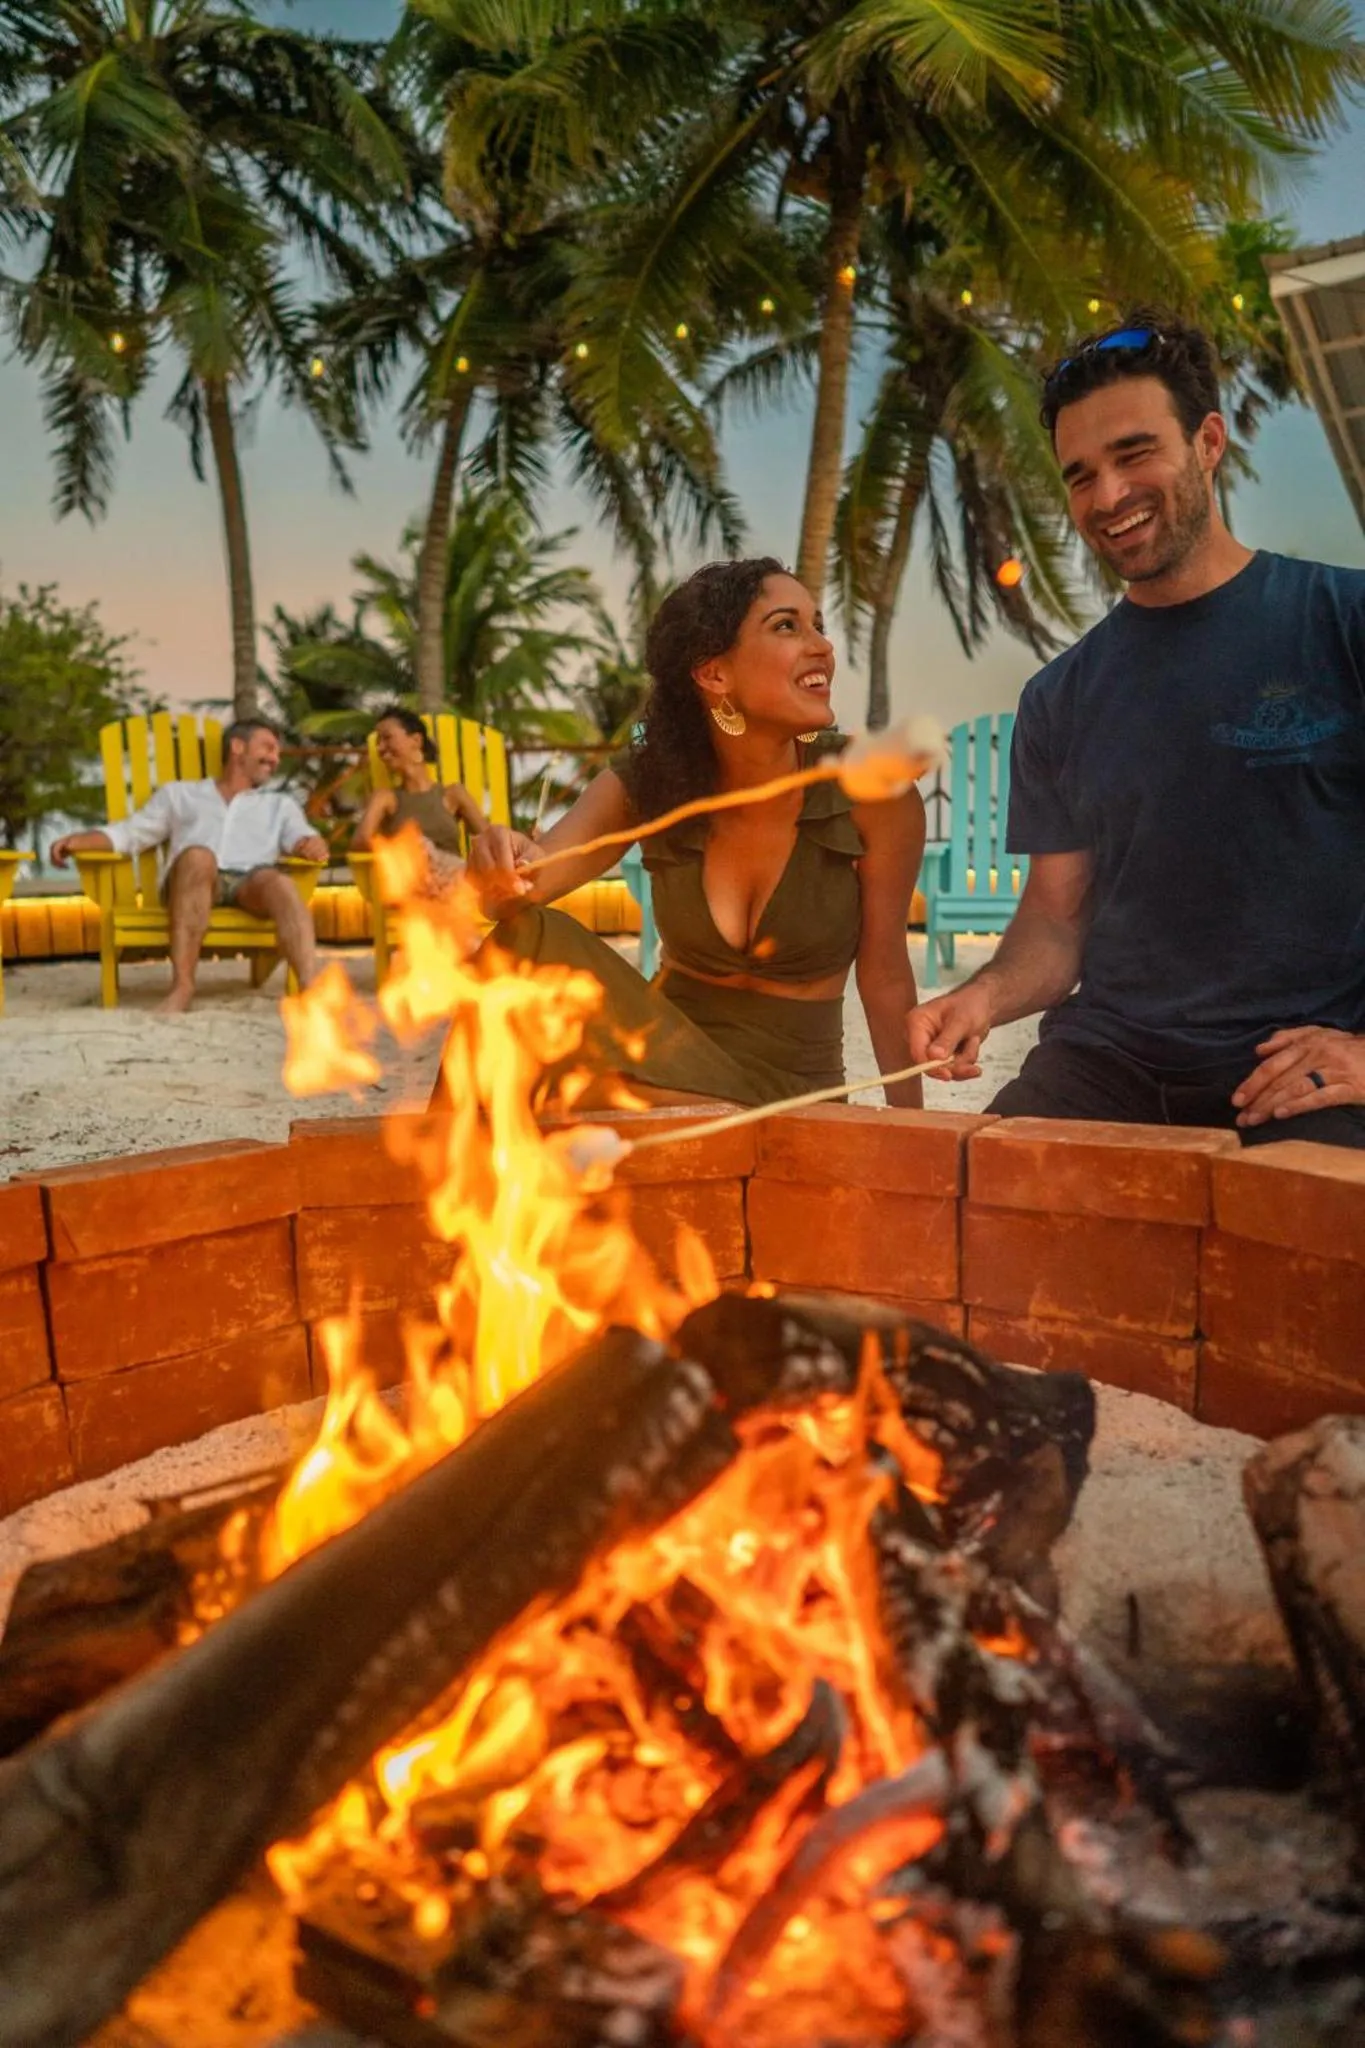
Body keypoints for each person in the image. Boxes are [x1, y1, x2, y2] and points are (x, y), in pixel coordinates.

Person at [907, 310, 1365, 1149]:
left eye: (1133, 453)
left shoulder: (1343, 623)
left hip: (1296, 1073)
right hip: (1106, 1063)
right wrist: (980, 996)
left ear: (1208, 442)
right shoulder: (1059, 697)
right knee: (974, 1201)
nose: (1108, 497)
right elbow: (1056, 922)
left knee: (1305, 1231)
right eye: (1080, 475)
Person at [459, 557, 926, 1109]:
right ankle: (444, 1152)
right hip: (665, 1067)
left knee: (570, 1096)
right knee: (529, 934)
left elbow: (885, 977)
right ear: (714, 674)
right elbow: (518, 890)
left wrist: (914, 1131)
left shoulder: (873, 793)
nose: (822, 646)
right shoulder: (651, 781)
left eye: (817, 626)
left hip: (794, 1095)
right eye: (787, 626)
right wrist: (498, 862)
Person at [51, 717, 329, 1014]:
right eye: (268, 748)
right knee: (199, 856)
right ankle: (182, 987)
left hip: (251, 885)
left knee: (281, 883)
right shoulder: (180, 794)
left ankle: (309, 987)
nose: (275, 759)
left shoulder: (279, 805)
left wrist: (311, 844)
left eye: (277, 752)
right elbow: (130, 833)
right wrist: (78, 840)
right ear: (238, 747)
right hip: (192, 880)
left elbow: (302, 836)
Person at [352, 706, 487, 891]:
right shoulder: (385, 798)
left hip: (455, 885)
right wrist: (406, 849)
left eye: (387, 738)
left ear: (416, 740)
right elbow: (360, 842)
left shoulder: (453, 794)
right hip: (411, 889)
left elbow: (489, 839)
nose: (380, 748)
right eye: (378, 742)